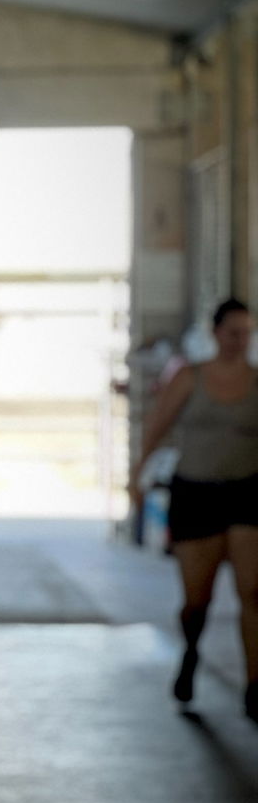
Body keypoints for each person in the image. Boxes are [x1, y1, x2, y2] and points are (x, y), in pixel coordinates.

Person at [130, 298, 258, 722]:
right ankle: (190, 651)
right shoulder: (190, 378)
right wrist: (138, 475)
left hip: (246, 495)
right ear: (216, 333)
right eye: (233, 332)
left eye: (248, 333)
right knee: (196, 600)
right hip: (196, 496)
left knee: (253, 592)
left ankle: (255, 686)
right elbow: (157, 427)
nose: (241, 341)